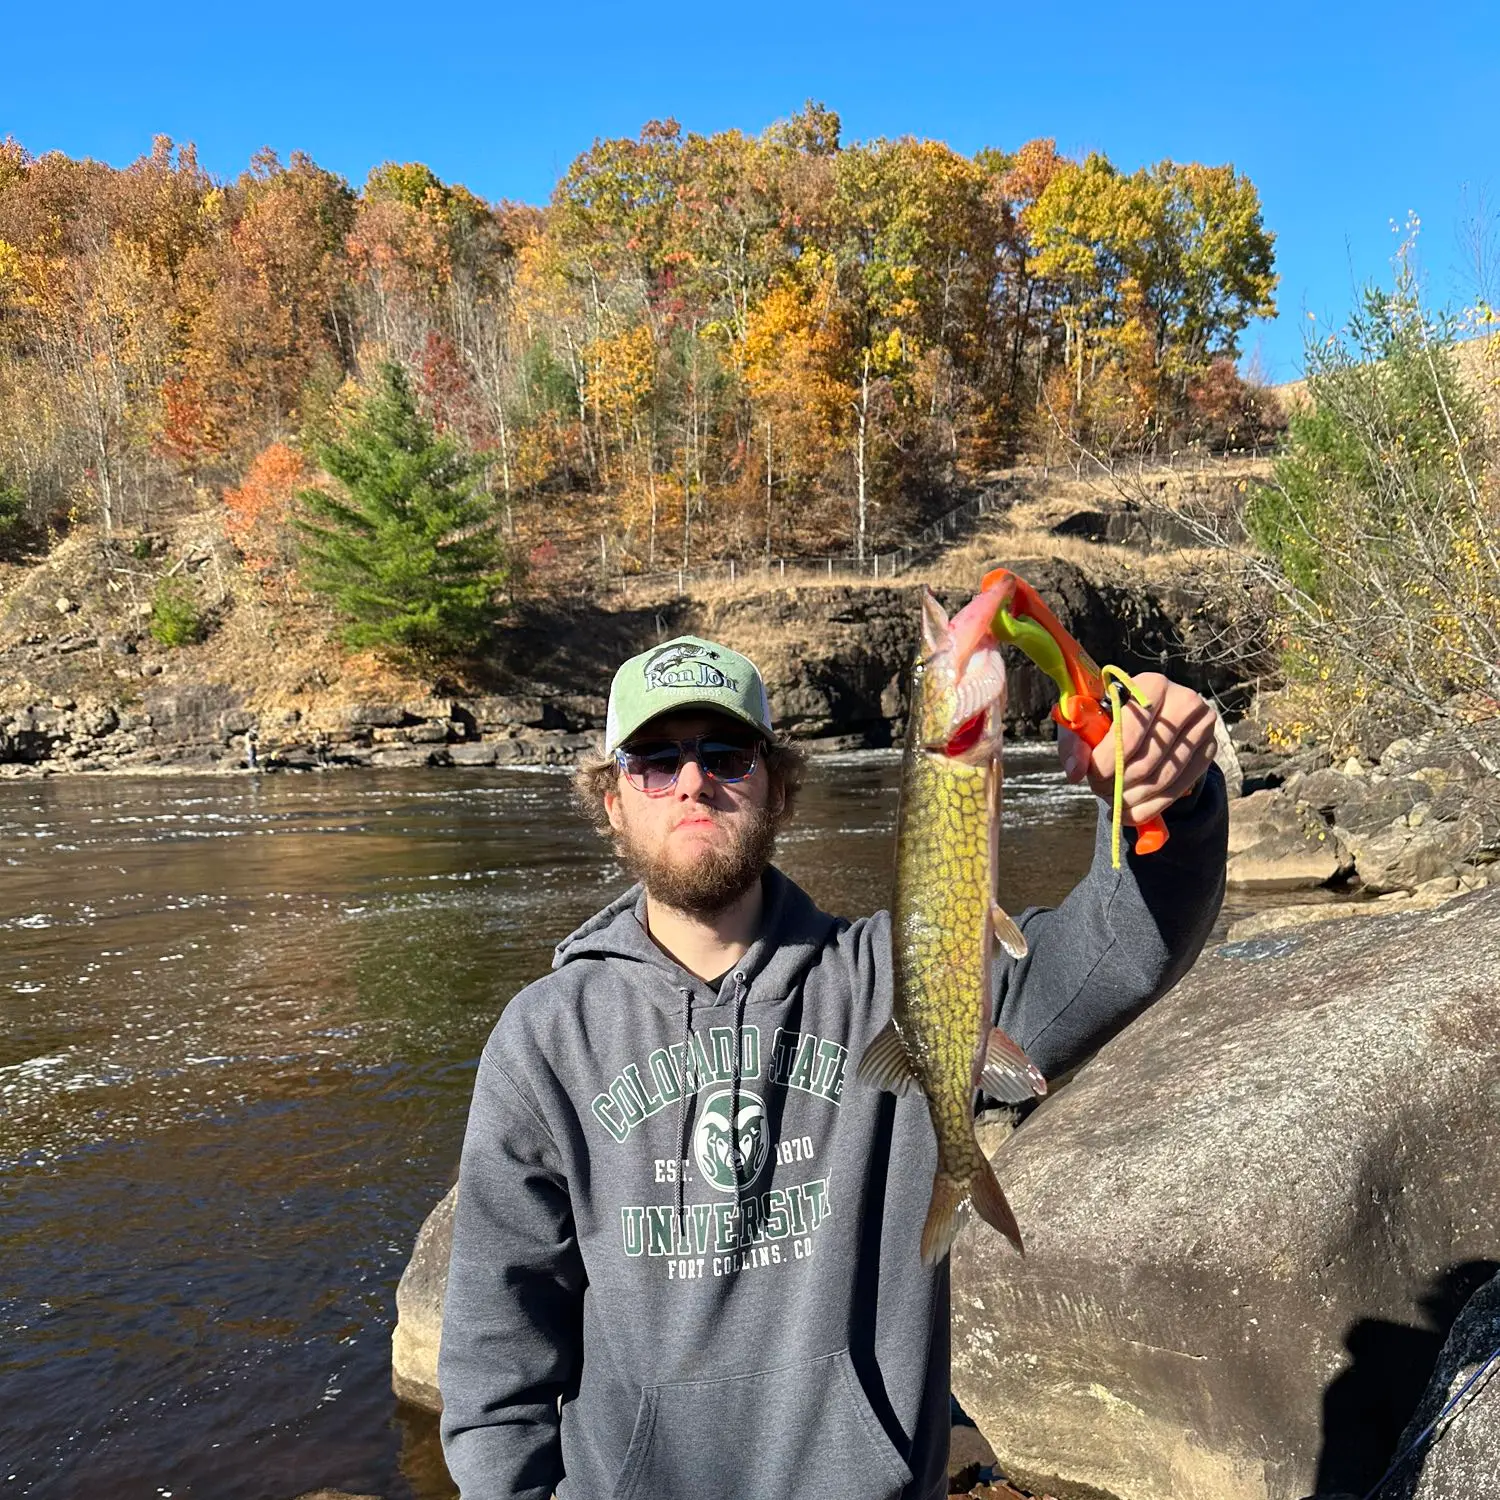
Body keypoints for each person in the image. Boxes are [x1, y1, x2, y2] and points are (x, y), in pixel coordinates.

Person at [438, 632, 1227, 1500]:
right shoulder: (544, 1038)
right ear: (613, 801)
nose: (693, 781)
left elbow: (1119, 954)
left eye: (726, 753)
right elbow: (495, 1355)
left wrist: (1174, 805)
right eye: (655, 761)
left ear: (777, 784)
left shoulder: (906, 971)